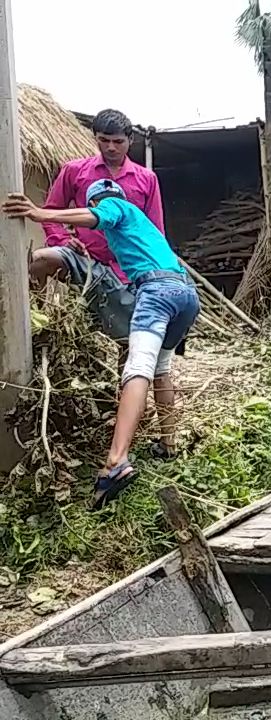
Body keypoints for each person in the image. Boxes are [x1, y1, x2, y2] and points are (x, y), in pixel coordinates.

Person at [4, 180, 199, 508]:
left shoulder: (117, 206)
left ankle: (116, 460)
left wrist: (40, 213)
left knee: (138, 369)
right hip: (186, 294)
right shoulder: (139, 228)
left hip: (156, 293)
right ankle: (169, 443)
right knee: (162, 370)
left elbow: (94, 216)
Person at [32, 109, 162, 289]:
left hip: (130, 269)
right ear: (95, 137)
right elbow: (51, 212)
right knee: (39, 260)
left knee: (128, 316)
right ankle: (33, 314)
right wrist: (63, 240)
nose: (111, 147)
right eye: (104, 140)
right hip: (84, 259)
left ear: (130, 140)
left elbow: (155, 231)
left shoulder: (147, 179)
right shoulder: (74, 171)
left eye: (118, 142)